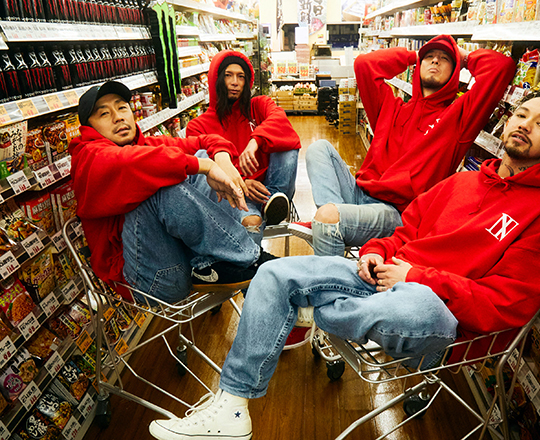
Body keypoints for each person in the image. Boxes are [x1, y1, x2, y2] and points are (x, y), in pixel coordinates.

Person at [149, 90, 540, 440]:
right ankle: (232, 404)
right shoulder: (464, 182)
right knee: (273, 272)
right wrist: (376, 251)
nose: (525, 125)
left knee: (415, 306)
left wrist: (417, 276)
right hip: (383, 280)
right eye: (521, 115)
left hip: (443, 319)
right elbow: (405, 230)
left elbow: (505, 305)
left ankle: (309, 309)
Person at [288, 35, 516, 256]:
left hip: (397, 213)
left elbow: (501, 67)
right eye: (429, 57)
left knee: (328, 218)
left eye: (445, 58)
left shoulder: (458, 118)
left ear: (455, 70)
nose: (435, 60)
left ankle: (328, 224)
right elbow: (365, 64)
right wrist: (413, 55)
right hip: (360, 193)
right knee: (319, 148)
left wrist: (463, 57)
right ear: (418, 65)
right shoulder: (391, 107)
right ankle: (331, 219)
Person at [70, 80, 274, 304]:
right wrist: (206, 167)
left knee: (201, 155)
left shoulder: (144, 144)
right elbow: (130, 163)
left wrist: (221, 159)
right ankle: (250, 252)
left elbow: (205, 142)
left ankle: (226, 255)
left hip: (183, 258)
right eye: (104, 114)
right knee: (160, 185)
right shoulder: (88, 157)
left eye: (121, 107)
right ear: (89, 128)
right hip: (148, 280)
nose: (118, 117)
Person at [186, 50, 301, 244]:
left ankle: (271, 201)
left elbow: (279, 119)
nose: (235, 82)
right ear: (216, 79)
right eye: (228, 75)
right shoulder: (198, 126)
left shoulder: (258, 106)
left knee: (286, 140)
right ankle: (254, 257)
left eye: (241, 77)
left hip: (270, 189)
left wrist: (256, 139)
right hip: (232, 195)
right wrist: (241, 183)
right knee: (252, 222)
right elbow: (204, 174)